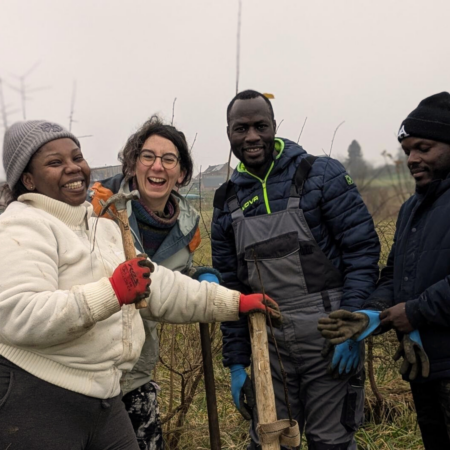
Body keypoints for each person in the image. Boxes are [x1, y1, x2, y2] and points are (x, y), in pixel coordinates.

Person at [0, 119, 280, 450]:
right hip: (40, 394)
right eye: (55, 162)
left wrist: (234, 303)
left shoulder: (101, 229)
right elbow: (18, 314)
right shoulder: (23, 226)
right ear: (28, 179)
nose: (73, 169)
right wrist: (113, 292)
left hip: (105, 393)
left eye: (77, 157)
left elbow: (159, 285)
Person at [211, 90, 380, 449]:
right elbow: (230, 290)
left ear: (274, 126)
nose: (252, 136)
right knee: (272, 442)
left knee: (330, 442)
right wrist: (238, 362)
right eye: (241, 128)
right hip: (266, 343)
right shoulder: (226, 200)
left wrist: (351, 326)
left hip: (327, 335)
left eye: (261, 126)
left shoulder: (321, 175)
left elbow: (362, 252)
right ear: (228, 132)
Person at [318, 92, 450, 450]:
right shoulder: (412, 208)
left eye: (424, 147)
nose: (412, 159)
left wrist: (414, 312)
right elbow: (394, 276)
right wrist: (372, 313)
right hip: (425, 368)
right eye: (407, 150)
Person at [88, 115, 202, 449]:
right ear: (133, 164)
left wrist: (199, 278)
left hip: (135, 370)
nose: (158, 166)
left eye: (169, 159)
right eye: (148, 156)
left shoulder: (189, 229)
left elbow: (171, 282)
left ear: (181, 173)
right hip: (82, 369)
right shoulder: (97, 206)